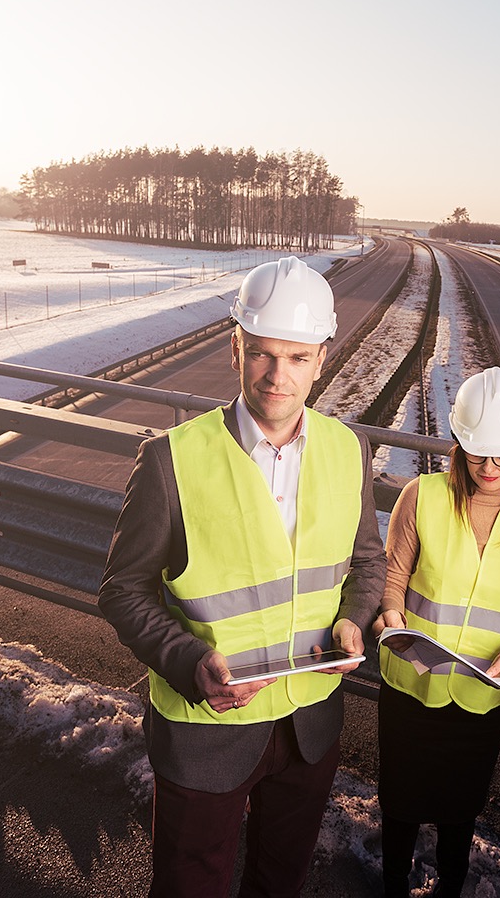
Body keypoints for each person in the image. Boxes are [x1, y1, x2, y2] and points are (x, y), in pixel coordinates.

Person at [99, 255, 386, 897]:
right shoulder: (172, 459)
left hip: (309, 725)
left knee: (278, 884)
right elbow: (123, 588)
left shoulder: (349, 450)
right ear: (236, 348)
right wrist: (184, 659)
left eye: (296, 358)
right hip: (205, 732)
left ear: (321, 357)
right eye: (261, 354)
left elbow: (366, 563)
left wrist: (351, 621)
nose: (277, 376)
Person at [372, 368, 500, 898]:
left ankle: (450, 887)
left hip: (482, 696)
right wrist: (393, 621)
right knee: (401, 804)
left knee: (460, 809)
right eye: (478, 454)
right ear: (459, 444)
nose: (491, 468)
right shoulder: (421, 495)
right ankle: (393, 886)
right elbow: (394, 577)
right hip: (411, 685)